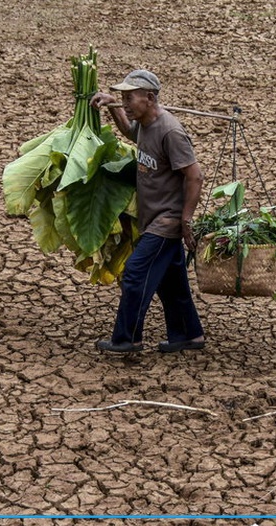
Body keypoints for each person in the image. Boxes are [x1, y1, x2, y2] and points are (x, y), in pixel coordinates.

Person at [89, 69, 206, 353]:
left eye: (130, 97)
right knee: (172, 283)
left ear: (150, 98)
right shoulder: (145, 123)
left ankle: (128, 338)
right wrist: (111, 105)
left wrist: (185, 220)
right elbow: (130, 131)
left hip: (165, 222)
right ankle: (188, 335)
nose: (125, 102)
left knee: (134, 273)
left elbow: (195, 176)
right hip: (152, 218)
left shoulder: (171, 131)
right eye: (122, 97)